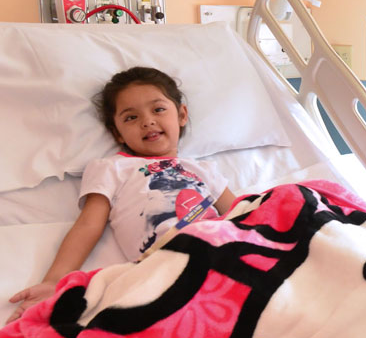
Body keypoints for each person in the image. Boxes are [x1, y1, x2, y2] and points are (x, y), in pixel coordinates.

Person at [7, 66, 237, 323]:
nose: (147, 121)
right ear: (117, 133)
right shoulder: (112, 168)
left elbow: (243, 214)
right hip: (166, 261)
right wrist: (53, 281)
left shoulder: (202, 169)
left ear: (182, 114)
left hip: (224, 249)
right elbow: (88, 225)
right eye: (130, 118)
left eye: (158, 109)